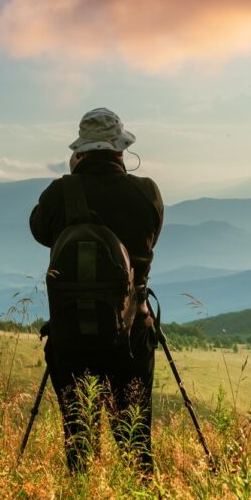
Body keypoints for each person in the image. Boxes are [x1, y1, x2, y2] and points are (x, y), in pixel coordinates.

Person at [29, 108, 163, 472]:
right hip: (131, 335)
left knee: (79, 441)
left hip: (71, 338)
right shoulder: (147, 193)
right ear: (121, 149)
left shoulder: (60, 194)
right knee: (136, 444)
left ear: (81, 151)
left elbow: (39, 231)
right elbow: (150, 240)